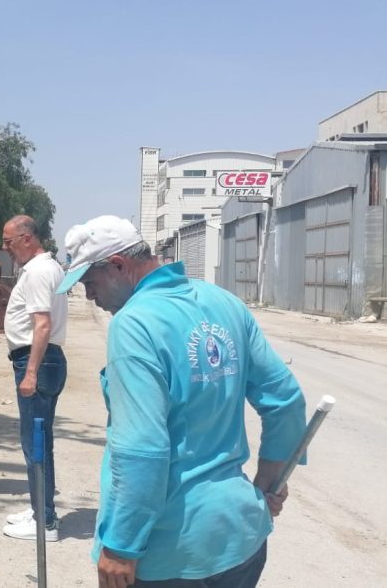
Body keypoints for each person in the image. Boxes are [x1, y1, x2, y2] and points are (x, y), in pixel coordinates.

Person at [56, 215, 306, 588]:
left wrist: (122, 545)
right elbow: (285, 399)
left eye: (89, 282)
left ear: (119, 266)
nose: (89, 295)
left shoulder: (134, 324)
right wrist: (269, 479)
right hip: (238, 537)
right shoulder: (222, 302)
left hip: (169, 551)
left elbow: (142, 448)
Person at [0, 215, 68, 541]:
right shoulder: (45, 268)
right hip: (41, 361)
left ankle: (45, 521)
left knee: (35, 443)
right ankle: (39, 509)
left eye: (9, 241)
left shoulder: (40, 271)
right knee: (39, 442)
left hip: (37, 362)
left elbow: (42, 325)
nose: (5, 248)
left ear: (27, 238)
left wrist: (30, 373)